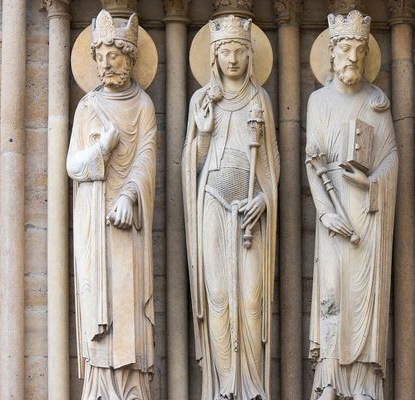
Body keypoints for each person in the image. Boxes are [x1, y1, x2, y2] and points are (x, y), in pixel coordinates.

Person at [182, 15, 279, 400]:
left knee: (251, 298)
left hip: (249, 209)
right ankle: (223, 387)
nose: (233, 59)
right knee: (218, 297)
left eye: (240, 50)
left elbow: (271, 165)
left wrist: (264, 199)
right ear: (214, 56)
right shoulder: (202, 101)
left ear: (250, 55)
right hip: (213, 205)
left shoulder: (261, 100)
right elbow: (192, 165)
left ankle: (252, 385)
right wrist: (203, 133)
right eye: (226, 51)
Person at [306, 10, 397, 400]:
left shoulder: (377, 102)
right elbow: (312, 161)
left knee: (364, 297)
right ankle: (330, 381)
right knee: (334, 293)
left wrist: (373, 181)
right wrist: (325, 211)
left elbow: (392, 157)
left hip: (369, 212)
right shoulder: (317, 101)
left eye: (359, 50)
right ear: (331, 52)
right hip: (335, 214)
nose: (353, 58)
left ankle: (363, 383)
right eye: (345, 48)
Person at [66, 10, 157, 400]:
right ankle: (100, 389)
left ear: (130, 58)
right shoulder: (87, 106)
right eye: (100, 55)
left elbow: (147, 157)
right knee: (96, 298)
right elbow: (73, 165)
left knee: (128, 303)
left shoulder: (144, 105)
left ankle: (132, 389)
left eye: (113, 55)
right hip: (93, 223)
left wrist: (128, 195)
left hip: (128, 220)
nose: (105, 63)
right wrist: (103, 146)